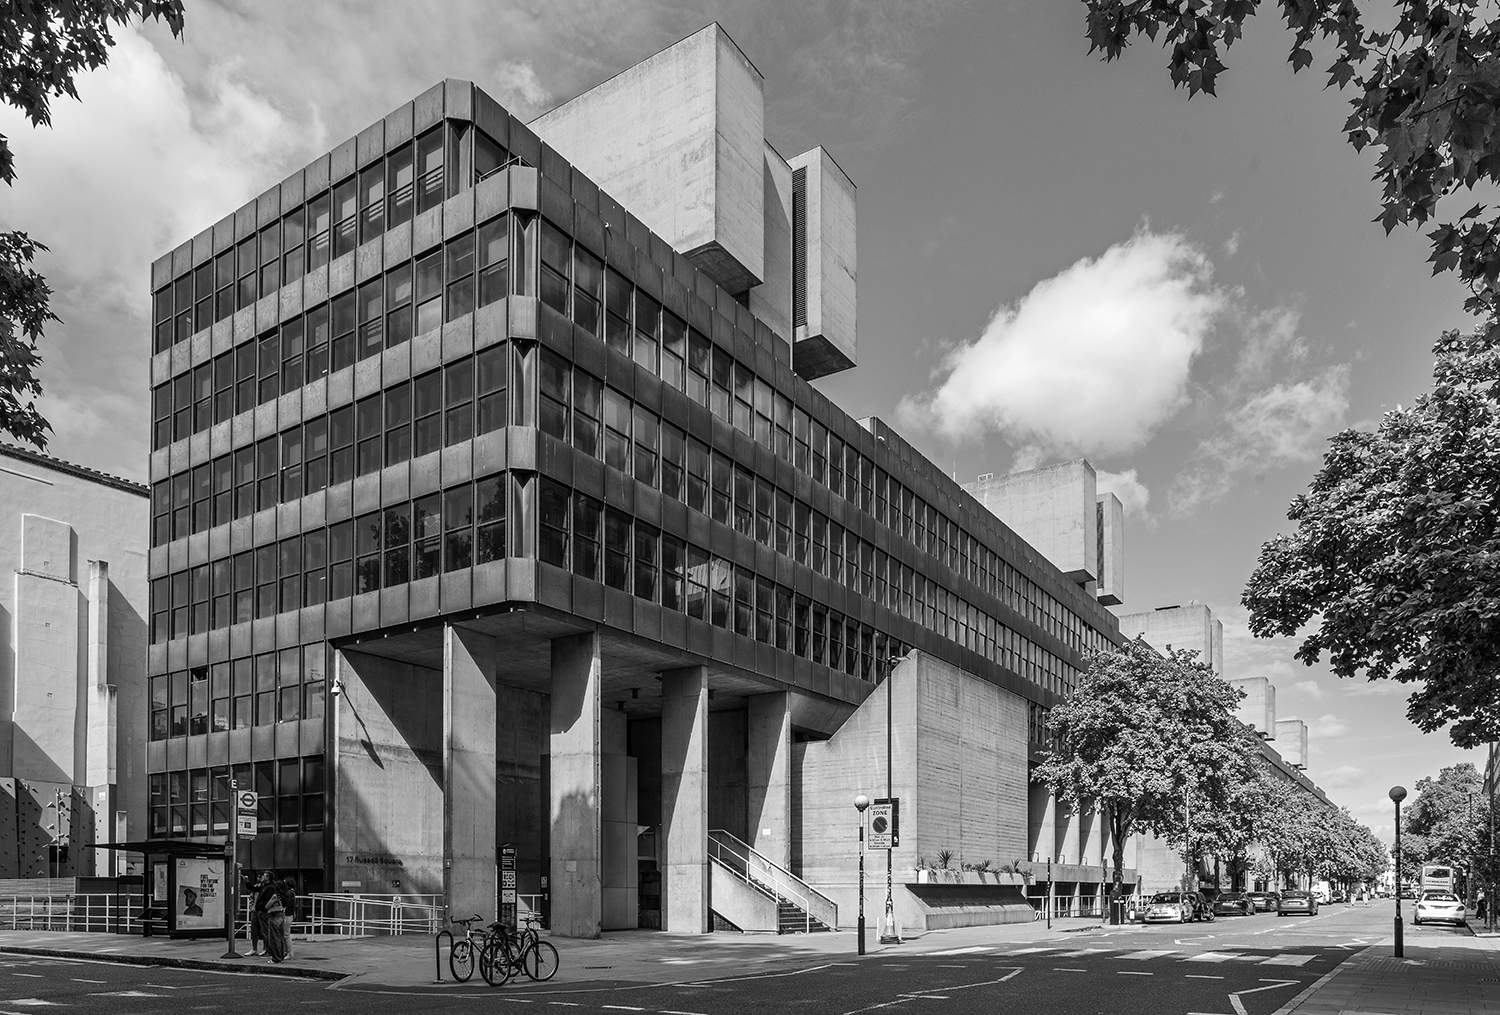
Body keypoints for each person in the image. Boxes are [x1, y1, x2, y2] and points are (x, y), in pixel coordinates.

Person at [262, 870, 288, 963]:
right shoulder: (284, 895)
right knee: (280, 937)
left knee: (273, 938)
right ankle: (281, 955)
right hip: (281, 916)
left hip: (274, 917)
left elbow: (267, 906)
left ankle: (276, 958)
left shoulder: (275, 896)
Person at [250, 872, 274, 957]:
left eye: (263, 876)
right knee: (255, 930)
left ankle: (267, 949)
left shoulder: (269, 887)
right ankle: (255, 949)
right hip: (256, 910)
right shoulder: (261, 887)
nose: (261, 877)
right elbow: (252, 889)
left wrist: (263, 909)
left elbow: (267, 901)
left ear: (268, 878)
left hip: (262, 911)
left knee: (265, 931)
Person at [277, 875, 297, 960]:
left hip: (287, 915)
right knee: (285, 934)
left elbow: (287, 904)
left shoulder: (289, 893)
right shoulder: (292, 893)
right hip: (289, 914)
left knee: (286, 935)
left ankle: (289, 953)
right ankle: (287, 951)